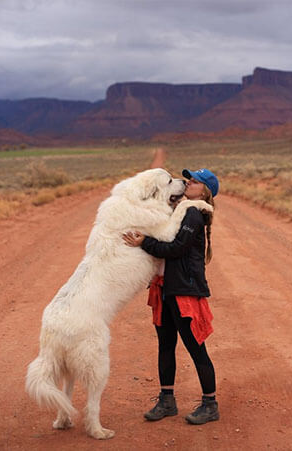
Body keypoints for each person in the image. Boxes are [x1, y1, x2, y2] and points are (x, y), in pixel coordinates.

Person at [122, 168, 220, 425]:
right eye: (190, 178)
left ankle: (210, 404)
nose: (190, 182)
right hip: (165, 287)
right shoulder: (180, 209)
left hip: (184, 290)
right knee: (165, 346)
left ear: (205, 191)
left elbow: (175, 249)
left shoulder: (193, 214)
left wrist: (143, 242)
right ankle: (167, 400)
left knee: (196, 348)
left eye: (196, 181)